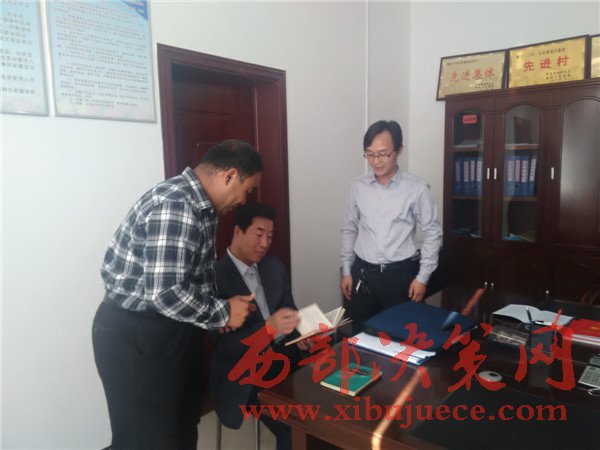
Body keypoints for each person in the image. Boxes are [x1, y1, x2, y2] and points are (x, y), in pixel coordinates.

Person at [92, 139, 263, 450]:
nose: (243, 200)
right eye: (246, 190)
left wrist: (215, 315)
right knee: (147, 440)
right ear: (229, 176)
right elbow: (166, 293)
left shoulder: (201, 207)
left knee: (179, 429)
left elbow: (189, 279)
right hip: (139, 335)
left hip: (170, 330)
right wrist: (223, 313)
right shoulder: (177, 204)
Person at [210, 203, 309, 450]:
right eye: (259, 234)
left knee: (329, 402)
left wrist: (303, 333)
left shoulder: (273, 267)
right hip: (246, 370)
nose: (265, 243)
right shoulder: (214, 278)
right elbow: (225, 347)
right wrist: (268, 330)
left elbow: (290, 310)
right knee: (294, 426)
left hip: (286, 356)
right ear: (237, 232)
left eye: (270, 236)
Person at [340, 120, 443, 332]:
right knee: (361, 335)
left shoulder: (417, 188)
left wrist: (423, 277)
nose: (376, 161)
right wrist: (347, 270)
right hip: (363, 273)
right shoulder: (358, 186)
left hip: (400, 276)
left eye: (383, 154)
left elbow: (433, 233)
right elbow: (349, 228)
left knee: (401, 336)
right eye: (370, 154)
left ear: (399, 150)